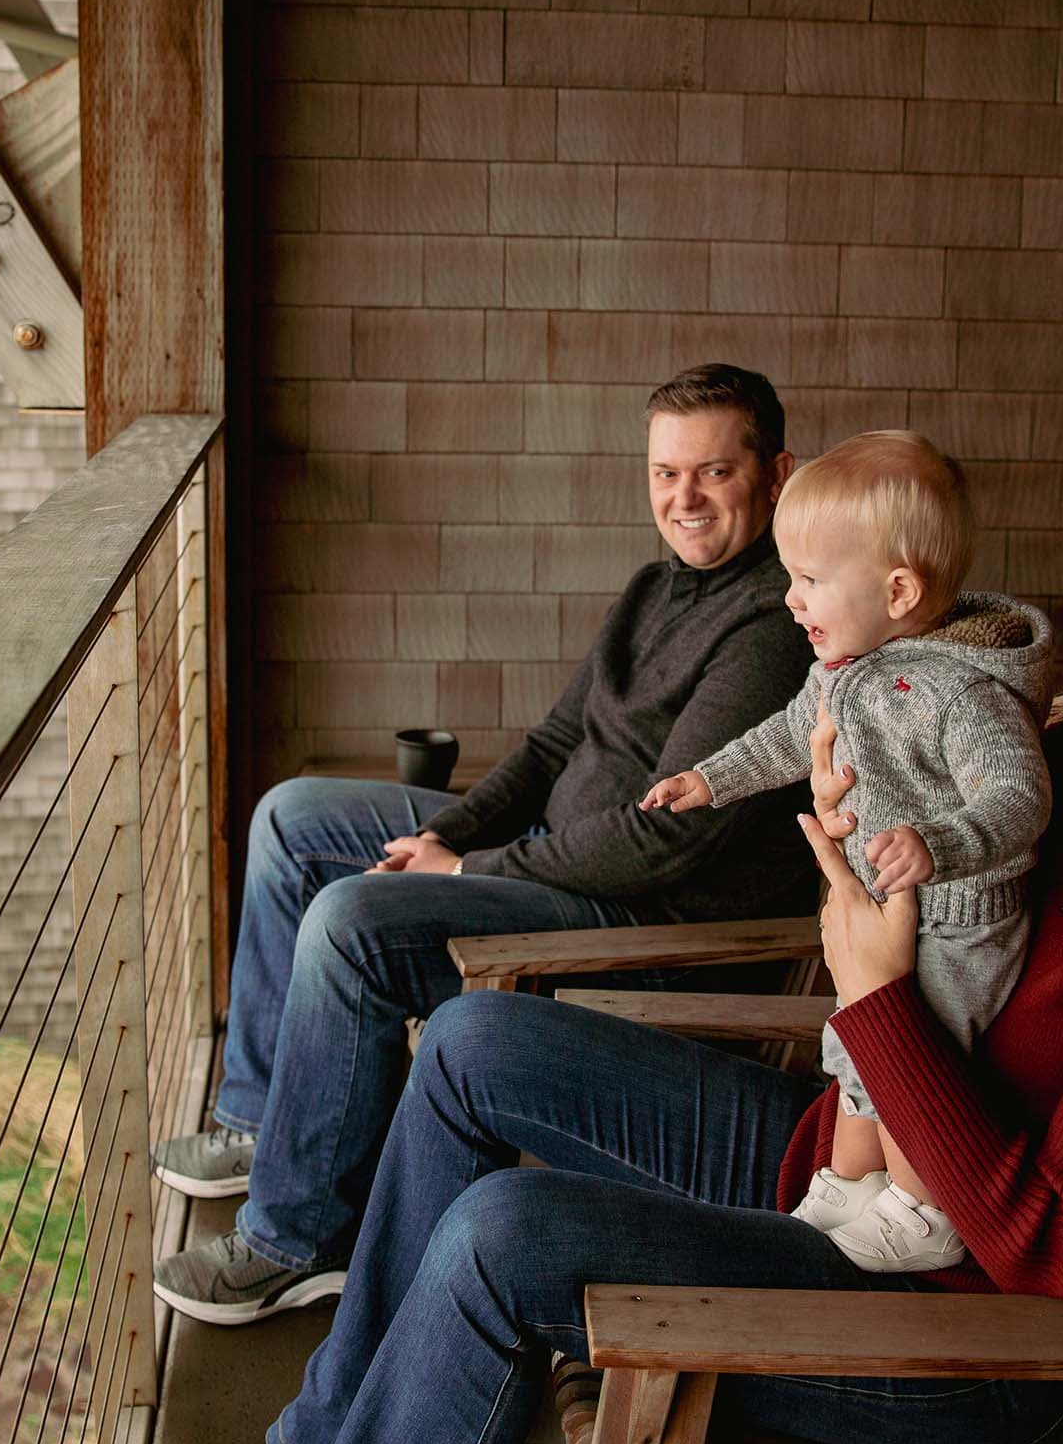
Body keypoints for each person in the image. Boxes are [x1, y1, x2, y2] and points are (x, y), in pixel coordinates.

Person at [196, 516, 1063, 1444]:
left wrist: (875, 994)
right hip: (841, 1169)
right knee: (472, 1041)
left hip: (951, 1326)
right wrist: (846, 826)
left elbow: (1051, 1248)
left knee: (505, 1234)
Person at [150, 365, 818, 1327]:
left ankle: (297, 1238)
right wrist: (444, 829)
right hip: (558, 857)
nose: (683, 498)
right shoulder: (655, 588)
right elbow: (554, 744)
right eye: (665, 474)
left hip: (638, 917)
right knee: (293, 820)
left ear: (776, 474)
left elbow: (662, 845)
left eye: (712, 473)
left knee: (351, 923)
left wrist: (467, 869)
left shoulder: (769, 626)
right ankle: (265, 1123)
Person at [641, 431, 1054, 1274]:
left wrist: (939, 842)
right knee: (857, 1044)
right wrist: (710, 779)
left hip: (957, 922)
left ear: (897, 590)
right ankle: (854, 1179)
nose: (791, 599)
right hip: (880, 908)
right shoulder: (844, 666)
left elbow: (1020, 796)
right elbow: (793, 734)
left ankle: (926, 1203)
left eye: (810, 580)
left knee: (910, 1057)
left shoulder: (965, 693)